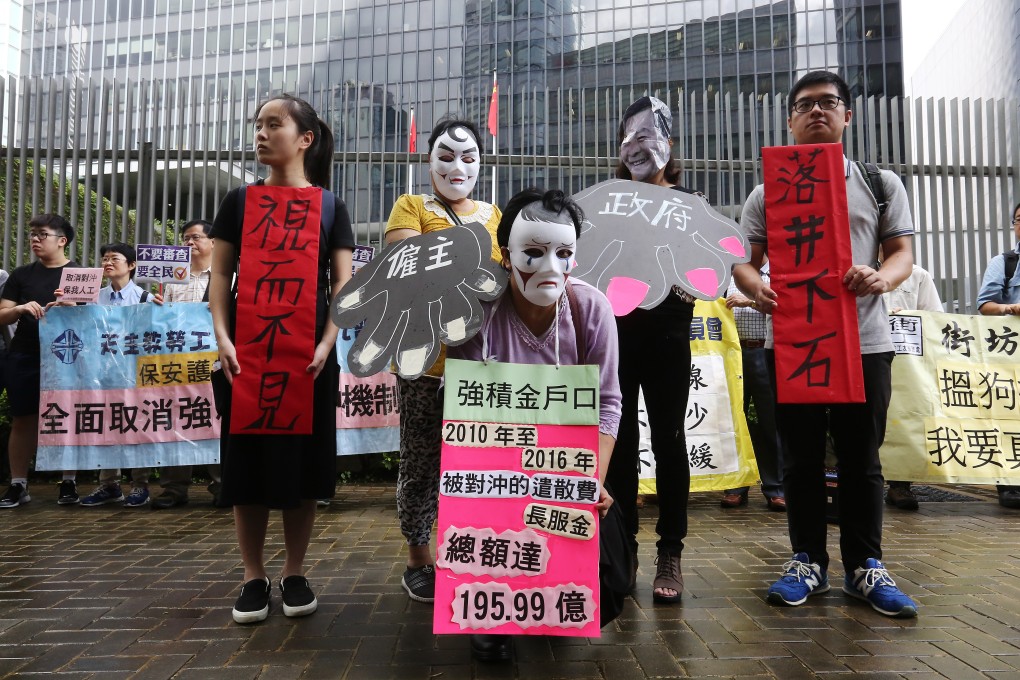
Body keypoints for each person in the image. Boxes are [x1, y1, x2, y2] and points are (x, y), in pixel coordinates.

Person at [733, 70, 919, 618]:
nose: (817, 112)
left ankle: (866, 566)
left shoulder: (878, 182)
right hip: (795, 340)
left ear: (847, 116)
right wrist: (755, 287)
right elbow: (745, 260)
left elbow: (901, 254)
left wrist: (881, 278)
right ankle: (807, 560)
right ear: (790, 120)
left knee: (862, 460)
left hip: (864, 341)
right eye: (805, 105)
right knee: (801, 460)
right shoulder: (768, 191)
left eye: (828, 103)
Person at [448, 188, 620, 661]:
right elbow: (461, 408)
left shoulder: (591, 311)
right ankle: (489, 607)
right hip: (494, 475)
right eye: (534, 253)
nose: (551, 267)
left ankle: (554, 594)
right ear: (506, 256)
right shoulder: (476, 313)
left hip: (565, 473)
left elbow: (608, 403)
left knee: (611, 590)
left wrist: (590, 484)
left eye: (564, 253)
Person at [209, 94, 354, 624]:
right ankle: (253, 576)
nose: (262, 134)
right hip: (245, 356)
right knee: (246, 466)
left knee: (302, 467)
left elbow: (343, 286)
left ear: (305, 138)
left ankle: (294, 571)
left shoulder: (331, 207)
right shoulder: (239, 202)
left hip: (308, 359)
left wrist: (326, 342)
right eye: (258, 125)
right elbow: (220, 277)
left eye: (275, 124)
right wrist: (223, 337)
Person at [384, 118, 501, 603]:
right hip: (424, 364)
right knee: (422, 461)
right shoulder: (410, 206)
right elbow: (404, 261)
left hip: (484, 364)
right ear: (428, 160)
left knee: (482, 462)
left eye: (469, 157)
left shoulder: (496, 214)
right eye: (447, 156)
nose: (457, 166)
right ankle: (418, 558)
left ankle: (475, 553)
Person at [603, 95, 695, 604]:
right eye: (629, 138)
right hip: (617, 339)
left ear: (668, 143)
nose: (637, 147)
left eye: (648, 136)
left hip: (669, 339)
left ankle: (671, 551)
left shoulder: (689, 204)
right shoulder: (609, 203)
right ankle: (624, 546)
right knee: (617, 447)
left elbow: (705, 272)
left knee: (669, 442)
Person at [0, 214, 81, 508]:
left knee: (66, 416)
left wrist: (73, 307)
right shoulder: (21, 274)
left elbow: (98, 318)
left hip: (69, 356)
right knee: (23, 418)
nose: (35, 239)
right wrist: (20, 308)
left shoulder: (80, 274)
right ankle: (18, 484)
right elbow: (2, 313)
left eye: (42, 234)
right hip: (25, 352)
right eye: (32, 234)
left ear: (62, 240)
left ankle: (68, 481)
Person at [77, 242, 158, 508]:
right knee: (106, 426)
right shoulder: (92, 297)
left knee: (139, 425)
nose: (107, 262)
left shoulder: (146, 299)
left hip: (136, 373)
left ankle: (140, 485)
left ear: (131, 265)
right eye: (104, 258)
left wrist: (165, 311)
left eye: (114, 258)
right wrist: (68, 306)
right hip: (103, 374)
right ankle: (109, 483)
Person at [151, 218, 221, 510]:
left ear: (213, 242)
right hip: (176, 363)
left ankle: (222, 484)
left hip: (215, 362)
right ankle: (174, 487)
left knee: (216, 418)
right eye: (185, 239)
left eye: (195, 238)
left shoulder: (227, 277)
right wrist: (154, 309)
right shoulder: (171, 279)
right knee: (174, 418)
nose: (189, 244)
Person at [720, 260, 785, 511]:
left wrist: (748, 301)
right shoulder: (725, 273)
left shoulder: (777, 272)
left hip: (764, 350)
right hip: (732, 354)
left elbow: (782, 306)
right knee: (734, 421)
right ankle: (736, 486)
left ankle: (775, 488)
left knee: (771, 422)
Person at [882, 264, 943, 511]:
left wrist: (907, 316)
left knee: (904, 418)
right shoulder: (856, 271)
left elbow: (935, 317)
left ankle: (900, 484)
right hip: (867, 354)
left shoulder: (918, 275)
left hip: (908, 364)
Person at [976, 201, 1020, 509]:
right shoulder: (1004, 263)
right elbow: (985, 305)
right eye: (1019, 219)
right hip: (1012, 357)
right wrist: (1010, 308)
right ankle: (1011, 484)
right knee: (1011, 418)